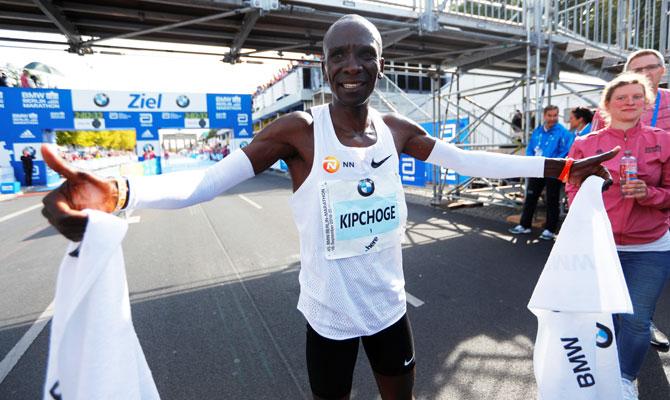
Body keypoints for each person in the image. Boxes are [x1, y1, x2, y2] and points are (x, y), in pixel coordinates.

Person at [40, 14, 617, 400]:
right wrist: (118, 192)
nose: (351, 65)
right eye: (338, 55)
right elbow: (206, 185)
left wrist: (565, 168)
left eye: (363, 55)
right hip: (328, 316)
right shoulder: (297, 130)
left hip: (389, 309)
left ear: (378, 65)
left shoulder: (397, 128)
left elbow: (470, 161)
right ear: (323, 64)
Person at [567, 73, 670, 400]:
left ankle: (624, 380)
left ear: (647, 102)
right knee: (605, 319)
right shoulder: (586, 144)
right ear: (607, 104)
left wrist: (649, 194)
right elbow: (571, 187)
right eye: (621, 97)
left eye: (636, 97)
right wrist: (583, 219)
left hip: (650, 246)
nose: (629, 103)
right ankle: (605, 374)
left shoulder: (663, 140)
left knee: (637, 321)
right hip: (601, 245)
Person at [592, 48, 670, 352]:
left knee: (647, 275)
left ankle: (641, 323)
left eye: (650, 68)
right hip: (617, 207)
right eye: (636, 69)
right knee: (614, 276)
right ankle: (612, 337)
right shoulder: (608, 109)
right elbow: (593, 155)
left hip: (659, 200)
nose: (644, 74)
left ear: (662, 71)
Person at [508, 105, 575, 240]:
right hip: (536, 169)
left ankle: (550, 230)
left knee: (552, 200)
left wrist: (552, 161)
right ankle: (524, 225)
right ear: (544, 116)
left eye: (555, 115)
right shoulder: (538, 131)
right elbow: (531, 148)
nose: (552, 118)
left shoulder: (563, 132)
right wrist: (531, 161)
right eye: (549, 115)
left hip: (553, 169)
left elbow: (567, 151)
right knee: (531, 197)